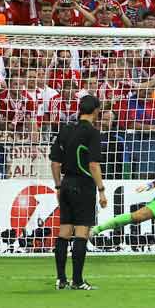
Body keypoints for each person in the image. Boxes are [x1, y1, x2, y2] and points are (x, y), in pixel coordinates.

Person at [48, 94, 106, 290]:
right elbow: (93, 164)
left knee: (64, 232)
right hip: (83, 185)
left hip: (66, 184)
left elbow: (55, 163)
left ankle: (61, 279)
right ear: (96, 111)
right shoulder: (93, 133)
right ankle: (78, 281)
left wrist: (58, 186)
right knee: (81, 233)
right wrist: (101, 190)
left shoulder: (65, 130)